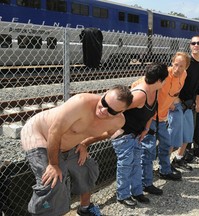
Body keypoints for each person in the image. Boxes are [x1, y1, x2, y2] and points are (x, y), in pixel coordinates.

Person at [20, 85, 133, 216]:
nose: (103, 110)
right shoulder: (80, 103)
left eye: (111, 111)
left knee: (87, 168)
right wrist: (53, 165)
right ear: (104, 94)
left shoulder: (118, 122)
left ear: (120, 112)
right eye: (104, 102)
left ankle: (85, 209)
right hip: (39, 133)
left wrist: (85, 143)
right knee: (52, 181)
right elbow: (54, 131)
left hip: (66, 142)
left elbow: (109, 134)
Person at [111, 63, 168, 208]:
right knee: (126, 165)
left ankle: (137, 191)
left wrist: (146, 128)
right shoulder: (139, 95)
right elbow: (116, 110)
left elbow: (151, 111)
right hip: (124, 135)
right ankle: (123, 195)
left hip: (136, 134)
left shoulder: (154, 90)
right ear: (160, 80)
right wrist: (116, 129)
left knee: (136, 163)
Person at [138, 52, 190, 190]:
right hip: (150, 118)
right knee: (148, 151)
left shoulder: (184, 76)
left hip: (161, 118)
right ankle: (146, 183)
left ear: (186, 68)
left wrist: (171, 102)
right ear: (171, 63)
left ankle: (164, 171)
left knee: (166, 144)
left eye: (181, 66)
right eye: (175, 64)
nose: (177, 69)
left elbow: (175, 92)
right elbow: (141, 85)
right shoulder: (162, 75)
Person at [168, 35, 199, 168]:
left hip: (190, 104)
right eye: (193, 43)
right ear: (190, 45)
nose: (196, 45)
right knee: (173, 136)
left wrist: (198, 101)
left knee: (188, 134)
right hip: (177, 102)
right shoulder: (186, 62)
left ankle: (178, 159)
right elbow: (172, 80)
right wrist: (173, 100)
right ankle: (165, 165)